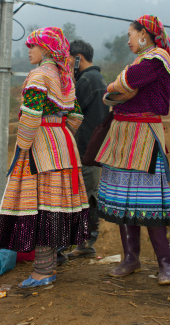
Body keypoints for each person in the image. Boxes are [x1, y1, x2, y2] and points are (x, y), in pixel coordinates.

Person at [0, 27, 90, 288]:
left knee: (41, 208)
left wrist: (23, 147)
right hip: (64, 147)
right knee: (54, 207)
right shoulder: (64, 77)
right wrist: (60, 133)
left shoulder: (38, 75)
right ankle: (48, 267)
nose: (29, 50)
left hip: (40, 146)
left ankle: (43, 273)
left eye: (32, 46)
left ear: (46, 49)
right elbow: (77, 115)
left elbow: (31, 115)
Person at [95, 15, 170, 285]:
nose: (127, 39)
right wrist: (116, 93)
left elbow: (123, 85)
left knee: (149, 202)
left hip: (143, 135)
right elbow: (118, 92)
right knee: (125, 202)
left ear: (144, 34)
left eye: (130, 33)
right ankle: (131, 258)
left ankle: (167, 263)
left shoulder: (156, 60)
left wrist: (114, 90)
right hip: (124, 135)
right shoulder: (143, 61)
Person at [63, 40, 109, 261]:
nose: (67, 62)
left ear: (78, 57)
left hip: (86, 150)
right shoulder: (96, 78)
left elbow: (70, 109)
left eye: (69, 58)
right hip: (93, 149)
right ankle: (84, 242)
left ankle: (85, 243)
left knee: (86, 197)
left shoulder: (87, 80)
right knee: (88, 196)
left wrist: (69, 83)